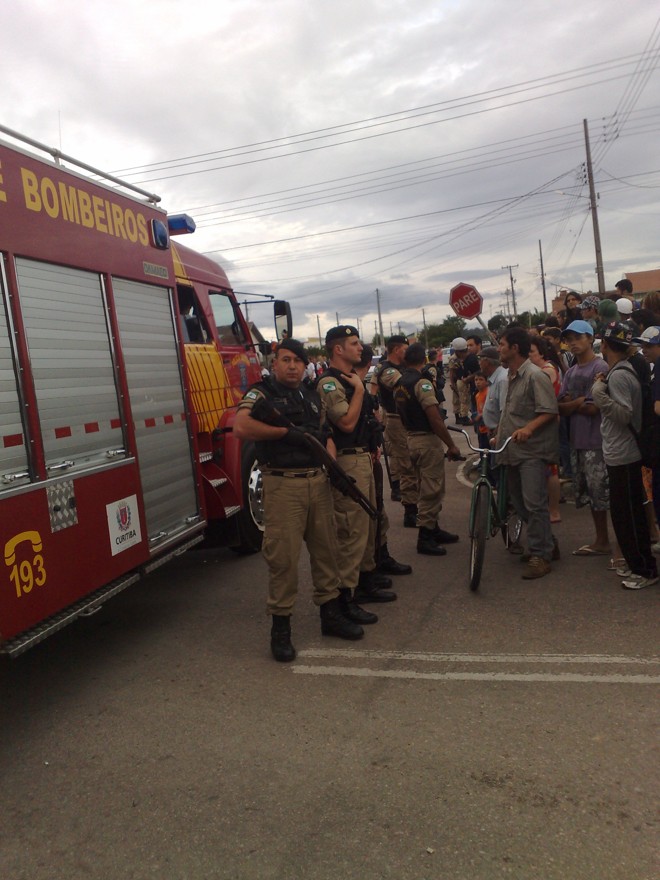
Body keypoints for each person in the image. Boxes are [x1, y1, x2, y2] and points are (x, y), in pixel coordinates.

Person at [233, 338, 364, 662]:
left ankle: (330, 615)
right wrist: (284, 434)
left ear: (306, 365)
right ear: (274, 363)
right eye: (286, 359)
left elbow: (326, 436)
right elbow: (241, 427)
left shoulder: (310, 395)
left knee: (327, 553)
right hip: (283, 486)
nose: (292, 366)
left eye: (298, 361)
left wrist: (331, 465)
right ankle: (281, 630)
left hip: (317, 482)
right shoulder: (262, 394)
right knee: (284, 560)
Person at [318, 326, 397, 605]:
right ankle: (344, 597)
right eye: (353, 343)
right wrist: (360, 392)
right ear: (338, 349)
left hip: (362, 456)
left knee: (367, 524)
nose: (360, 348)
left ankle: (365, 581)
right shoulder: (330, 382)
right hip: (347, 459)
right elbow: (346, 423)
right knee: (352, 529)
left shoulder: (349, 379)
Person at [591, 323, 658, 589]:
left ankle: (644, 569)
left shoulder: (619, 375)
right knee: (625, 514)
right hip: (620, 452)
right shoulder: (620, 371)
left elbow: (623, 414)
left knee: (628, 516)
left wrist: (599, 396)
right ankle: (636, 565)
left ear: (606, 345)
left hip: (625, 453)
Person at [496, 327, 560, 579]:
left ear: (514, 348)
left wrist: (528, 429)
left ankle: (541, 556)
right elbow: (511, 413)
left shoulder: (535, 375)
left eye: (502, 344)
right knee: (520, 505)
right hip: (511, 450)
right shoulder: (510, 376)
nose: (499, 348)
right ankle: (547, 543)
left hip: (532, 451)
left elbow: (549, 411)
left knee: (534, 504)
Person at [395, 343, 462, 555]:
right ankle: (425, 536)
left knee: (423, 485)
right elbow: (434, 417)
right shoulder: (421, 383)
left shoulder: (400, 383)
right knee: (431, 489)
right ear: (423, 360)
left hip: (410, 438)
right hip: (425, 439)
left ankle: (433, 528)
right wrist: (451, 445)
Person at [355, 345, 412, 578]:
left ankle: (381, 556)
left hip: (370, 454)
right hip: (356, 459)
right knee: (362, 519)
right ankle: (367, 570)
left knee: (378, 511)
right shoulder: (349, 388)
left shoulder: (362, 389)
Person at [557, 321, 611, 556]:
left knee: (603, 493)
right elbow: (561, 406)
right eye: (569, 339)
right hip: (577, 439)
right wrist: (579, 401)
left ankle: (610, 542)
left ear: (590, 338)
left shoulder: (601, 367)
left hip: (598, 441)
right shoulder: (570, 371)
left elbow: (593, 408)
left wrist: (574, 402)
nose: (572, 343)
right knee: (589, 493)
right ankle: (601, 540)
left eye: (577, 337)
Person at [370, 335, 417, 521]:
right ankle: (410, 510)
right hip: (396, 418)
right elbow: (406, 386)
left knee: (405, 459)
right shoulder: (386, 369)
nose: (408, 352)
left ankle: (407, 495)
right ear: (397, 349)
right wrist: (375, 409)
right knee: (406, 462)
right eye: (406, 348)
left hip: (407, 418)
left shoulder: (404, 367)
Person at [529, 335, 562, 524]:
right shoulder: (538, 370)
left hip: (548, 422)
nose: (529, 356)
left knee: (551, 469)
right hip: (539, 421)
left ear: (541, 353)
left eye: (532, 352)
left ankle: (554, 510)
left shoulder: (547, 370)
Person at [478, 345, 508, 434]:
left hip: (499, 432)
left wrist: (498, 432)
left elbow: (505, 411)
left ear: (486, 361)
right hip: (492, 431)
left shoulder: (502, 379)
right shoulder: (494, 378)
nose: (479, 363)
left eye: (480, 360)